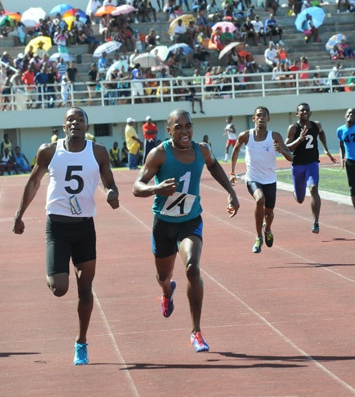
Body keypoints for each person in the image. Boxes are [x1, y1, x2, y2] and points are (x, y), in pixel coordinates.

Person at [13, 107, 119, 366]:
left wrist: (112, 194)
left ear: (86, 126)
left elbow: (109, 182)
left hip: (85, 228)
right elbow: (34, 181)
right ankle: (53, 269)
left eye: (80, 120)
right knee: (60, 289)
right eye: (70, 120)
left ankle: (81, 342)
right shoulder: (49, 151)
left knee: (85, 289)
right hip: (58, 228)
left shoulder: (98, 152)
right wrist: (19, 214)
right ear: (63, 126)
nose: (75, 123)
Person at [132, 109, 240, 353]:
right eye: (178, 127)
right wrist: (156, 189)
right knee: (163, 277)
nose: (184, 131)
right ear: (169, 131)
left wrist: (231, 193)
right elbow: (137, 187)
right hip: (163, 224)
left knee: (192, 267)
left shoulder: (201, 150)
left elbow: (213, 167)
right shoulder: (159, 154)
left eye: (188, 126)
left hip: (190, 221)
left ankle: (196, 332)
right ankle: (167, 293)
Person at [230, 106, 292, 253]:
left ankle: (267, 229)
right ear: (254, 118)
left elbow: (291, 157)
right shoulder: (246, 136)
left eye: (264, 115)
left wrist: (282, 151)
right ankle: (258, 237)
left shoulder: (275, 136)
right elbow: (236, 149)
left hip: (270, 180)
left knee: (269, 213)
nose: (261, 118)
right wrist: (232, 172)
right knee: (259, 199)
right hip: (253, 178)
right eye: (258, 115)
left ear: (268, 118)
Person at [285, 103, 337, 234]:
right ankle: (296, 194)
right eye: (302, 111)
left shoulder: (316, 125)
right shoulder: (293, 128)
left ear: (310, 113)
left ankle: (316, 223)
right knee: (300, 199)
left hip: (312, 163)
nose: (305, 112)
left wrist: (325, 149)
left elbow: (321, 133)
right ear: (297, 114)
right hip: (298, 165)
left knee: (313, 188)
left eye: (307, 110)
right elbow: (287, 148)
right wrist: (299, 140)